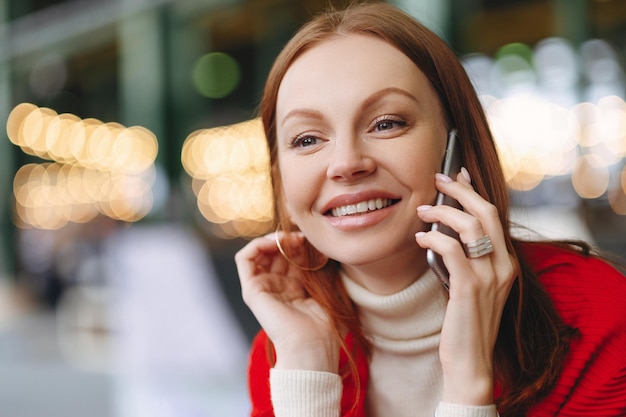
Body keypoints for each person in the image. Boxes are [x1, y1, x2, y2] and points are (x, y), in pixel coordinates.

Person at [234, 2, 626, 416]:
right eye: (307, 140)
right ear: (281, 182)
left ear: (457, 149)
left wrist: (468, 380)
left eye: (387, 123)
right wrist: (307, 369)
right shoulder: (287, 345)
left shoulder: (595, 314)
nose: (346, 164)